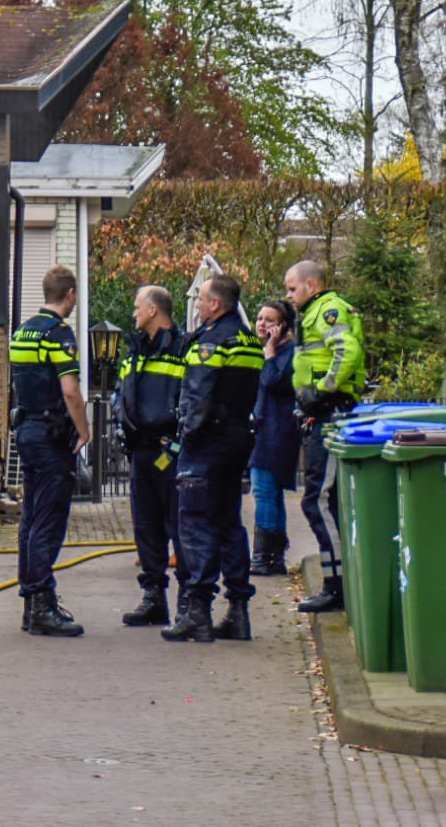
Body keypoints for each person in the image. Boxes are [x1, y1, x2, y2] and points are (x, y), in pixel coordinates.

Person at [163, 273, 263, 643]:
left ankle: (198, 611)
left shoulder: (211, 342)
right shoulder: (250, 341)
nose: (198, 305)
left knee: (195, 522)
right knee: (228, 522)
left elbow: (198, 397)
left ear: (216, 304)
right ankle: (238, 610)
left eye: (201, 299)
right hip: (237, 438)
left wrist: (186, 438)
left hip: (205, 443)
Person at [10, 264, 91, 637]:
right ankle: (42, 604)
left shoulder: (22, 332)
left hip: (26, 431)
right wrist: (83, 430)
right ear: (70, 295)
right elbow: (70, 389)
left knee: (31, 517)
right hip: (51, 435)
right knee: (49, 519)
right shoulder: (59, 335)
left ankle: (31, 603)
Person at [284, 259, 365, 613]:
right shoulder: (314, 313)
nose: (288, 296)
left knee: (317, 500)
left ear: (311, 285)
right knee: (323, 501)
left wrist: (321, 389)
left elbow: (348, 351)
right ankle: (336, 582)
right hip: (320, 414)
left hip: (331, 414)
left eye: (292, 288)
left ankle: (338, 587)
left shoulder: (327, 310)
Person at [114, 285, 187, 627]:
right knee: (146, 527)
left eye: (137, 306)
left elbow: (191, 399)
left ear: (154, 310)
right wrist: (120, 417)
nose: (133, 313)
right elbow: (120, 392)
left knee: (179, 525)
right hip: (141, 451)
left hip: (170, 452)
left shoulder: (183, 350)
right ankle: (154, 598)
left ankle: (189, 600)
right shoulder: (135, 350)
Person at [247, 298, 301, 577]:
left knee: (264, 491)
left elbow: (273, 382)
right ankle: (274, 556)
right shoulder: (276, 352)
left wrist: (269, 354)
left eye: (269, 320)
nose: (262, 324)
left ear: (283, 326)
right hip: (267, 431)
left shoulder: (288, 354)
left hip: (276, 434)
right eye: (259, 318)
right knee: (271, 493)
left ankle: (263, 556)